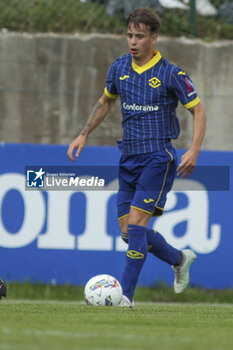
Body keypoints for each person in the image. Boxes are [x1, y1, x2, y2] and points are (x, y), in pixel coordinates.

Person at [67, 7, 206, 307]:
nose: (133, 42)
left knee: (137, 226)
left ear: (153, 39)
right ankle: (179, 258)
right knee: (128, 232)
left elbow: (198, 109)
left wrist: (194, 149)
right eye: (129, 35)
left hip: (158, 157)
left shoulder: (171, 73)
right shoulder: (119, 68)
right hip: (128, 157)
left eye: (139, 37)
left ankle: (125, 297)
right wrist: (83, 133)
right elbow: (105, 101)